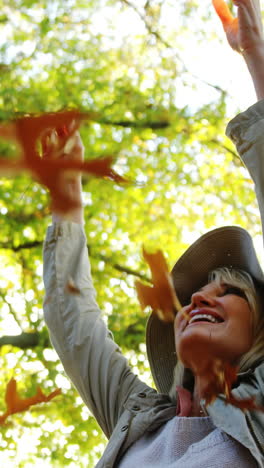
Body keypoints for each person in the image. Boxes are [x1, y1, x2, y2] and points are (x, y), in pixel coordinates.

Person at [42, 0, 264, 466]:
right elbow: (72, 321)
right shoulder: (133, 419)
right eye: (194, 298)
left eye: (228, 292)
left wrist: (256, 56)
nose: (200, 300)